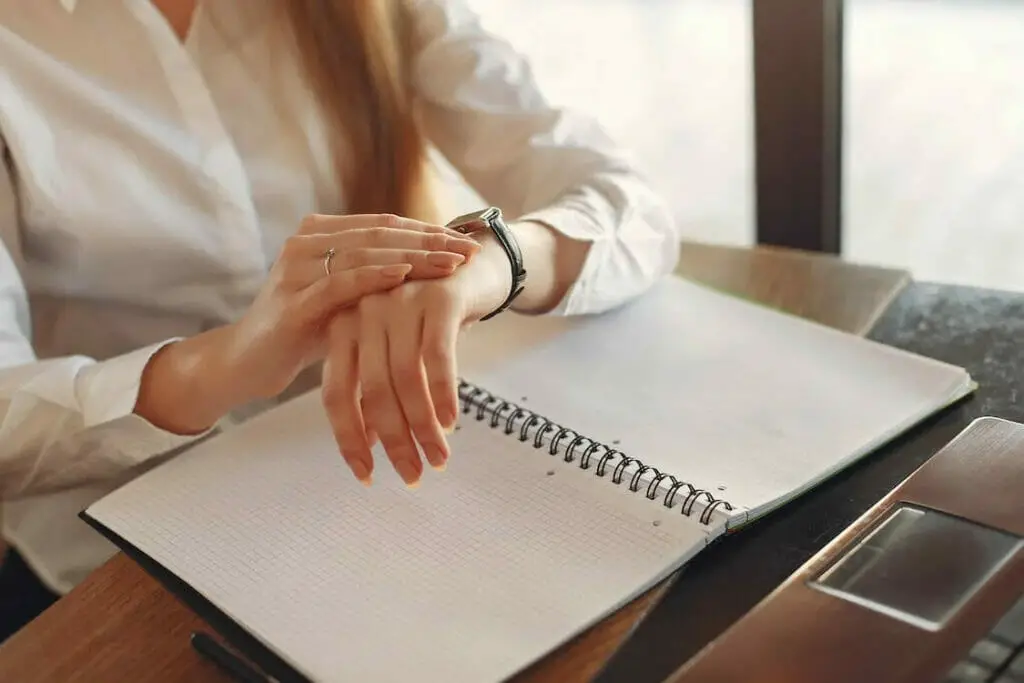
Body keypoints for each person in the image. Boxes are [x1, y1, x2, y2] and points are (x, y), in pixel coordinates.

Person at [0, 0, 679, 641]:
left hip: (382, 510)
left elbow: (632, 207)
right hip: (108, 574)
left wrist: (488, 262)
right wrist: (217, 365)